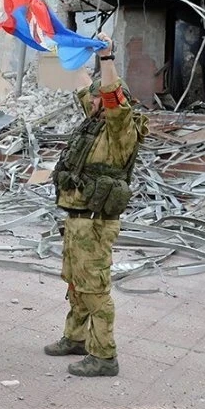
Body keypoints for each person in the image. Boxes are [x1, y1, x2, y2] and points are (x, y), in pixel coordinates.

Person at [45, 33, 148, 377]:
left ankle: (104, 356)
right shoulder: (94, 123)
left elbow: (110, 93)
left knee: (94, 288)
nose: (88, 101)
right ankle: (75, 338)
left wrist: (107, 56)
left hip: (95, 222)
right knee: (76, 283)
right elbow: (82, 83)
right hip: (77, 218)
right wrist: (66, 46)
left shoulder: (120, 130)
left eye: (96, 98)